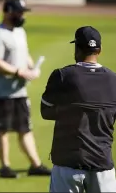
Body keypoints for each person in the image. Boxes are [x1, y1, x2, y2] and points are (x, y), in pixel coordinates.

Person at [41, 26, 116, 192]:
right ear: (100, 50)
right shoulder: (113, 80)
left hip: (67, 164)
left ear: (77, 48)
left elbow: (45, 112)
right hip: (102, 164)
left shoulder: (62, 76)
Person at [0, 0, 51, 178]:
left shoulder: (20, 32)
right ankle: (4, 167)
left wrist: (30, 68)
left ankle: (35, 165)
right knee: (3, 129)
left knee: (25, 128)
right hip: (1, 92)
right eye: (18, 12)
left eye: (22, 12)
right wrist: (18, 72)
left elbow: (24, 53)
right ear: (7, 12)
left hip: (19, 92)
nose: (21, 16)